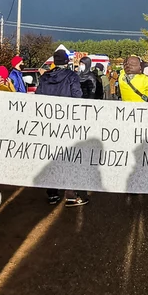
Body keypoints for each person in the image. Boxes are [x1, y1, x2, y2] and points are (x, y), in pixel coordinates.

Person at [36, 50, 87, 207]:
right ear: (66, 61)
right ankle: (70, 195)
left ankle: (52, 194)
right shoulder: (72, 76)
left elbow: (38, 96)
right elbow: (77, 96)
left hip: (48, 124)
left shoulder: (45, 77)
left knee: (51, 157)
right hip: (67, 123)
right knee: (68, 157)